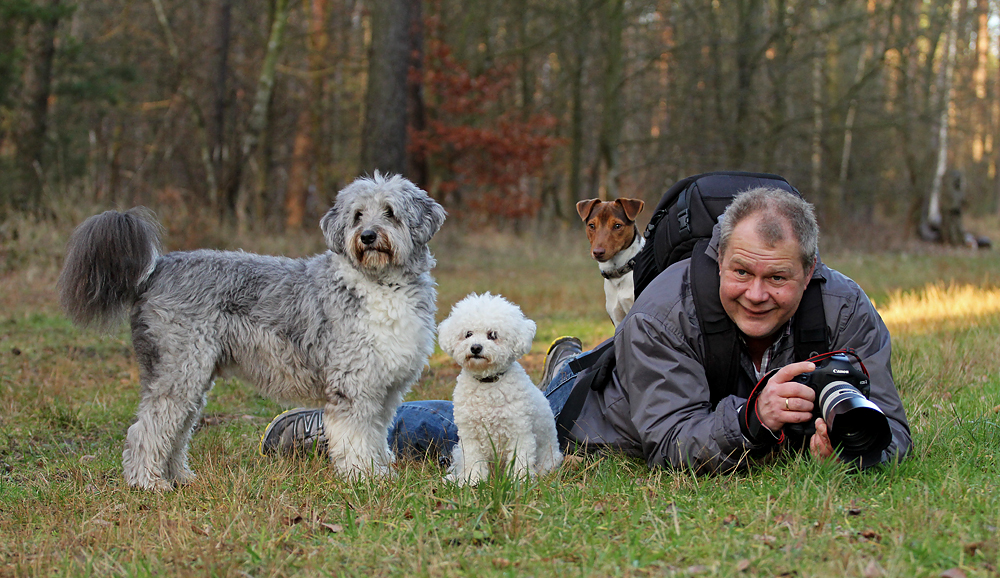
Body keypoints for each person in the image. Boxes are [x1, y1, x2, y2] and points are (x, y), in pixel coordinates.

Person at [261, 187, 911, 473]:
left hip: (663, 384)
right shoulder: (666, 305)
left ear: (811, 270)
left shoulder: (846, 310)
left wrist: (857, 445)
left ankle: (573, 361)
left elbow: (894, 430)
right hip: (606, 419)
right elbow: (671, 448)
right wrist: (753, 420)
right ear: (717, 257)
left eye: (779, 279)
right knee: (509, 417)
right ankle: (339, 429)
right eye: (741, 272)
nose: (756, 294)